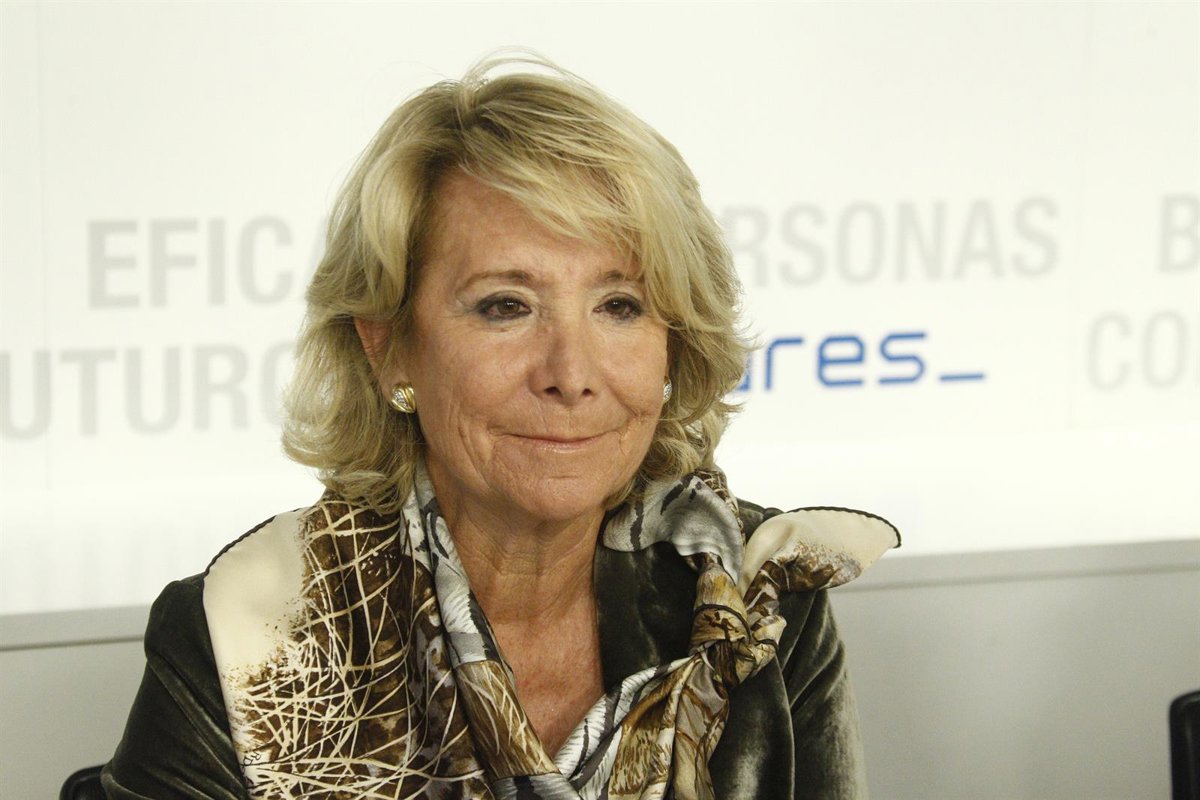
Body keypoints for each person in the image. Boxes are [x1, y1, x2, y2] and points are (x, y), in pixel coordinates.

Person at [103, 55, 898, 799]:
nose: (570, 372)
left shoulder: (757, 596)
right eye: (505, 306)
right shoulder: (248, 634)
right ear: (388, 347)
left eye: (619, 306)